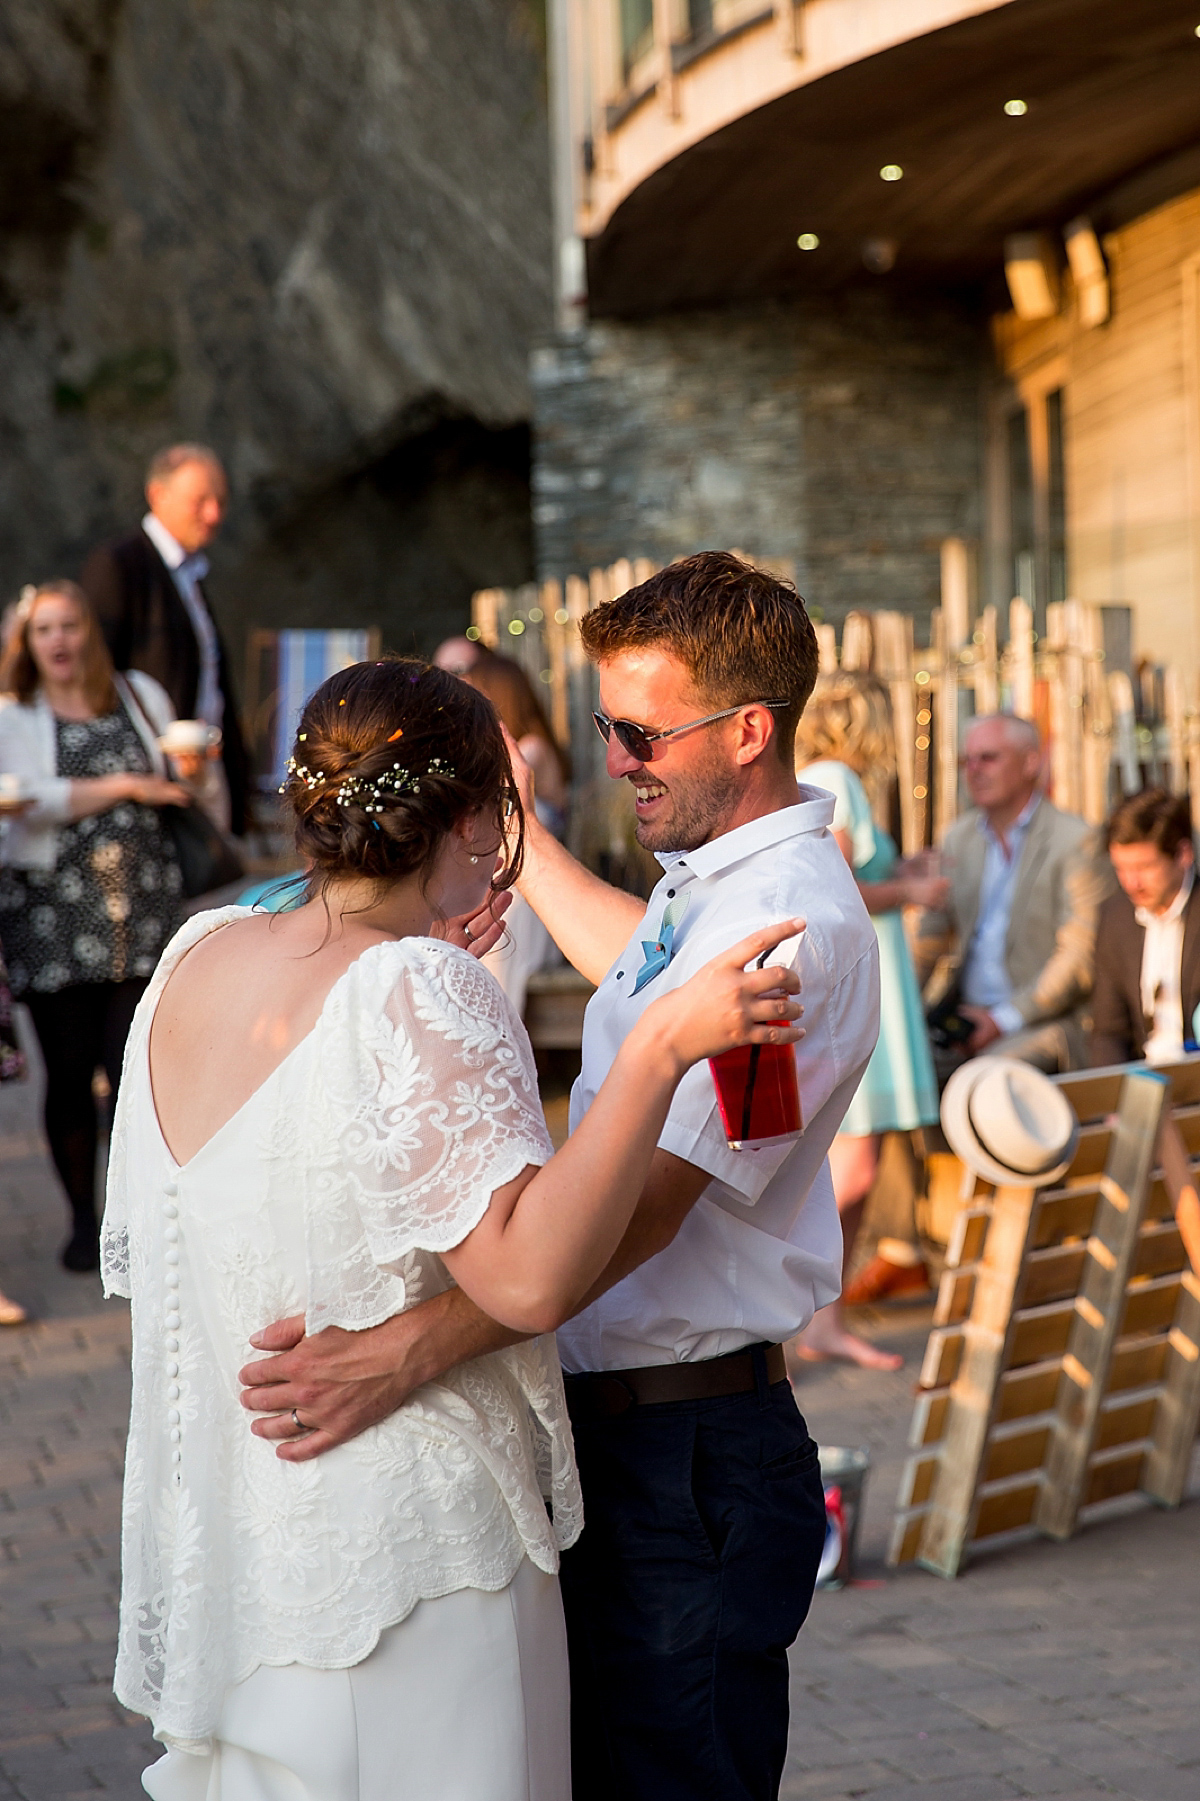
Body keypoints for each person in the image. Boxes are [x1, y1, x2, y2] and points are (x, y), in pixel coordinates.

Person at [98, 653, 804, 1800]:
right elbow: (529, 1277)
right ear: (475, 819)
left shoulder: (200, 955)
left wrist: (421, 999)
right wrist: (664, 1048)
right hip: (414, 1563)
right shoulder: (419, 988)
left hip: (247, 1546)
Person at [238, 552, 881, 1801]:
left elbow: (642, 1215)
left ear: (749, 731)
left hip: (689, 1456)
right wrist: (499, 837)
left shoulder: (795, 928)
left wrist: (413, 1347)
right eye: (607, 726)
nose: (621, 757)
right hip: (636, 1434)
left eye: (643, 732)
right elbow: (630, 963)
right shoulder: (718, 881)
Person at [0, 582, 188, 1271]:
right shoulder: (13, 713)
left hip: (142, 913)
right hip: (50, 917)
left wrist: (191, 773)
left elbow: (176, 777)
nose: (58, 640)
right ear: (27, 642)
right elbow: (19, 798)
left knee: (134, 1072)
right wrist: (124, 788)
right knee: (71, 1072)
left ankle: (135, 1220)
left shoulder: (138, 694)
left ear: (90, 631)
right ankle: (83, 1218)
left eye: (69, 625)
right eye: (43, 628)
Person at [793, 672, 945, 1366]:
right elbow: (841, 884)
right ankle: (803, 1312)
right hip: (865, 977)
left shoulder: (822, 776)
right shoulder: (838, 777)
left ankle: (824, 1318)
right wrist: (910, 889)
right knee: (851, 1165)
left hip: (872, 974)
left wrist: (905, 866)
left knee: (860, 1158)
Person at [916, 713, 1109, 1075]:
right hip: (965, 1017)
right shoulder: (959, 838)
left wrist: (1002, 1020)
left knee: (986, 1078)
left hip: (1043, 1021)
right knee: (895, 1065)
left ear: (1031, 762)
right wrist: (896, 1012)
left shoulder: (1076, 842)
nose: (973, 770)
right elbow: (930, 938)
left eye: (988, 758)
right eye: (966, 761)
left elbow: (1079, 958)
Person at [79, 443, 250, 834]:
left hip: (201, 778)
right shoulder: (119, 564)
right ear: (158, 495)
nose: (214, 514)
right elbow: (93, 676)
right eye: (201, 500)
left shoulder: (190, 573)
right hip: (146, 792)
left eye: (221, 501)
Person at [1089, 787, 1200, 1278]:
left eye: (1145, 868)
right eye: (1121, 869)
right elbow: (1107, 1030)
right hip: (1148, 1092)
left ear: (1183, 854)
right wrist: (1114, 1098)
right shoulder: (1114, 916)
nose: (1132, 882)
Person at [460, 655, 569, 1014]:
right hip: (512, 877)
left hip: (533, 886)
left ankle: (495, 1016)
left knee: (500, 908)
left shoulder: (530, 751)